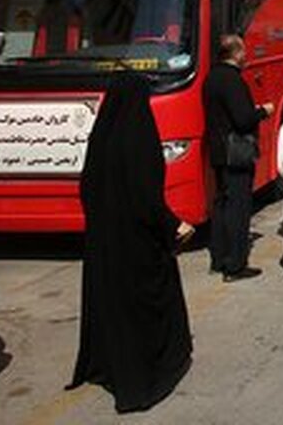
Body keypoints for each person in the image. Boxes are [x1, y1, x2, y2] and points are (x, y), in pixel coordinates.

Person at [68, 73, 194, 413]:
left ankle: (107, 366)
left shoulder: (102, 137)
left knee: (112, 307)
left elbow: (87, 189)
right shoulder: (139, 137)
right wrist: (174, 225)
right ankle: (148, 375)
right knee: (148, 307)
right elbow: (145, 199)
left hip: (104, 244)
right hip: (137, 246)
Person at [203, 34, 273, 282]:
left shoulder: (211, 78)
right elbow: (243, 119)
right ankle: (235, 264)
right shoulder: (232, 80)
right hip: (236, 153)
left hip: (219, 152)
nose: (246, 56)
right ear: (236, 53)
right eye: (243, 51)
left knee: (221, 205)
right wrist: (263, 111)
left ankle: (219, 258)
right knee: (239, 207)